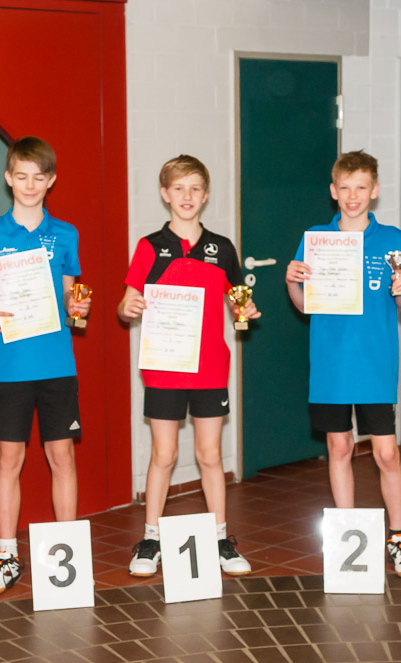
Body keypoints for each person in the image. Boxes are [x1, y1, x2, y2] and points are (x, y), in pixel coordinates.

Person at [116, 154, 258, 578]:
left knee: (209, 455)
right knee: (164, 454)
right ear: (165, 194)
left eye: (195, 188)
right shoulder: (149, 247)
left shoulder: (223, 248)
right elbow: (126, 304)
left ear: (206, 195)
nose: (187, 196)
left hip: (210, 367)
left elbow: (239, 303)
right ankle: (150, 538)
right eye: (178, 188)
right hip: (164, 366)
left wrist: (247, 311)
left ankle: (220, 539)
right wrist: (129, 307)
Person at [284, 150, 401, 578]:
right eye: (344, 188)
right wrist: (292, 281)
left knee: (386, 453)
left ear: (374, 191)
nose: (352, 196)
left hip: (375, 363)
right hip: (331, 364)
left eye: (361, 187)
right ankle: (347, 538)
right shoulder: (316, 239)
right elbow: (304, 305)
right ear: (333, 191)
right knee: (339, 448)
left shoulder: (393, 240)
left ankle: (398, 539)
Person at [0, 136, 91, 595]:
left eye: (39, 177)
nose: (30, 185)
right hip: (10, 367)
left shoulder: (66, 234)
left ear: (50, 180)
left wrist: (78, 309)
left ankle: (67, 555)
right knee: (8, 459)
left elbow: (72, 297)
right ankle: (6, 555)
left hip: (56, 363)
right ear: (8, 178)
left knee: (62, 457)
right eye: (22, 176)